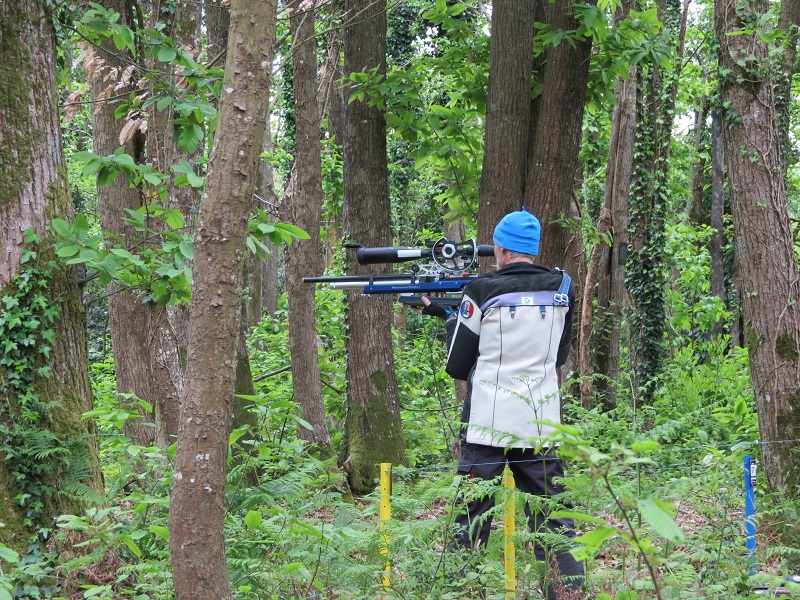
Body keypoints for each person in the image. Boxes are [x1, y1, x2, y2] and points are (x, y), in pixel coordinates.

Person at [419, 207, 584, 599]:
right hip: (540, 425)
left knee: (471, 520)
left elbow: (457, 364)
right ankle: (569, 594)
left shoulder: (480, 290)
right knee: (554, 521)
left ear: (502, 249)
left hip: (487, 428)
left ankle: (463, 590)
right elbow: (558, 355)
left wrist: (448, 320)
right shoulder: (563, 286)